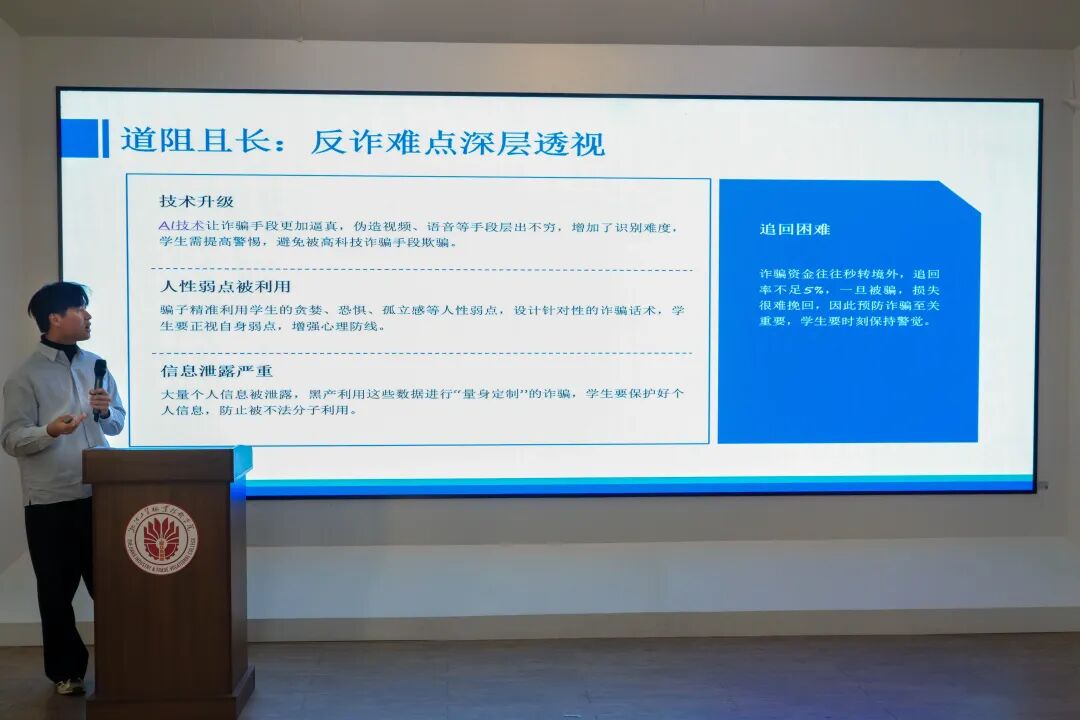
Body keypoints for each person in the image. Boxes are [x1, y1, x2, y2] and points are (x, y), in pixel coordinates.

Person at [1, 282, 125, 696]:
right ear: (55, 317)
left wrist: (106, 412)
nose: (88, 317)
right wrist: (49, 431)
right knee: (56, 593)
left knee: (113, 586)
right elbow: (11, 439)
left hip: (101, 495)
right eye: (80, 309)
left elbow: (117, 423)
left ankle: (126, 664)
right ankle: (66, 673)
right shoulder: (25, 376)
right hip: (50, 500)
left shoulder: (96, 364)